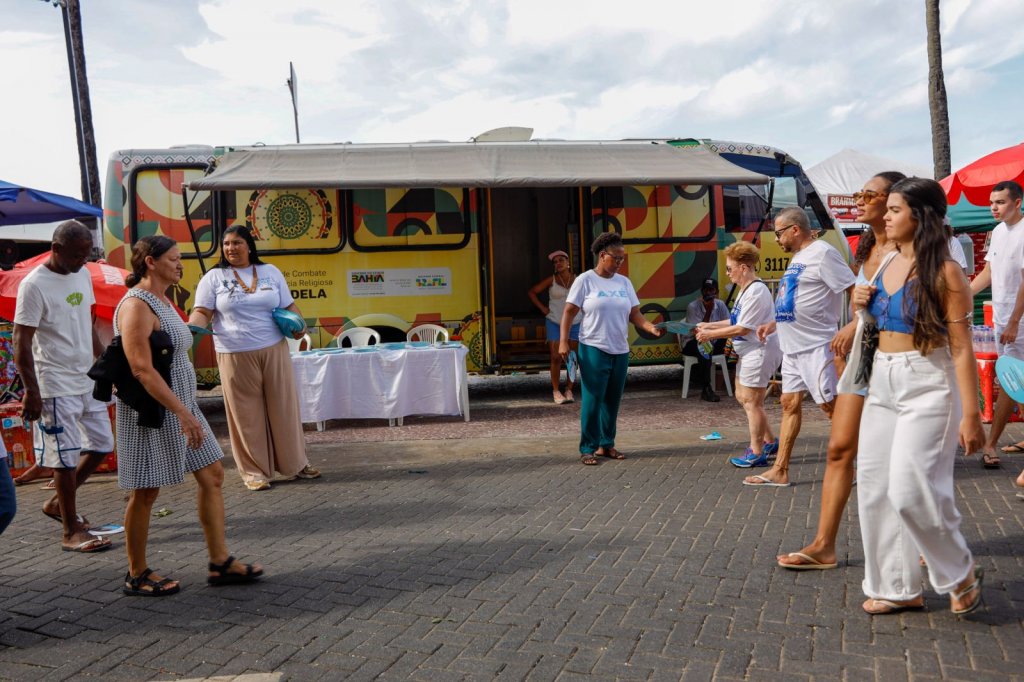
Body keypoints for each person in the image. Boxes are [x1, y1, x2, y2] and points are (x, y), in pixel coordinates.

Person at [853, 177, 984, 615]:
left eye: (894, 210)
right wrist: (859, 304)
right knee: (874, 487)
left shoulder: (946, 272)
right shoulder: (885, 260)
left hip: (929, 383)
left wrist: (972, 415)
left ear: (921, 216)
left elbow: (961, 348)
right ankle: (896, 588)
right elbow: (874, 322)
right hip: (882, 379)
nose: (885, 217)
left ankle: (959, 572)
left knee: (911, 491)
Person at [116, 236, 262, 596]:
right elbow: (141, 369)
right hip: (155, 410)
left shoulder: (164, 300)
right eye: (173, 259)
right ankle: (136, 573)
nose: (180, 265)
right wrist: (182, 411)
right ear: (151, 262)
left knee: (212, 475)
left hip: (183, 408)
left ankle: (220, 562)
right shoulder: (136, 305)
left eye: (179, 258)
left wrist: (186, 409)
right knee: (145, 491)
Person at [777, 171, 905, 569]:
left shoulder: (912, 250)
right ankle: (824, 545)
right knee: (838, 449)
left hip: (900, 362)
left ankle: (927, 545)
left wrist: (852, 325)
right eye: (858, 193)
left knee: (903, 461)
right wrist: (856, 324)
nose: (859, 199)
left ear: (895, 202)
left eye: (869, 194)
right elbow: (858, 297)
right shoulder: (868, 249)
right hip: (864, 359)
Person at [189, 225, 320, 491]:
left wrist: (300, 324)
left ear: (249, 246)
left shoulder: (270, 272)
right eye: (226, 244)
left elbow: (288, 305)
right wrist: (190, 328)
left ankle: (296, 464)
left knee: (284, 408)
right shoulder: (214, 277)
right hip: (234, 353)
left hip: (274, 348)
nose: (231, 248)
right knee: (246, 414)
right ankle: (254, 472)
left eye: (237, 242)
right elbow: (202, 311)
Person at [13, 220, 112, 553]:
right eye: (76, 256)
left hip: (86, 379)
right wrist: (31, 390)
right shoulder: (34, 285)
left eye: (87, 255)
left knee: (102, 443)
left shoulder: (81, 274)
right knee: (64, 458)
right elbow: (21, 341)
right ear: (56, 249)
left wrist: (103, 364)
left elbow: (86, 321)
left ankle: (57, 504)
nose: (83, 262)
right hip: (54, 384)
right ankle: (70, 531)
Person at [743, 207, 856, 487]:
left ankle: (858, 466)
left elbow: (852, 288)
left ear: (795, 229)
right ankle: (780, 469)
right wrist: (775, 323)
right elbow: (796, 298)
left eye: (779, 232)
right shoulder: (799, 258)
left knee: (831, 407)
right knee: (788, 403)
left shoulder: (823, 253)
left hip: (817, 346)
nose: (776, 239)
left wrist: (854, 325)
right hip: (792, 347)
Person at [559, 232, 663, 465]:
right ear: (602, 255)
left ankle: (606, 445)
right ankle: (588, 447)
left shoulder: (624, 282)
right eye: (616, 258)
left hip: (620, 350)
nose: (619, 262)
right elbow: (568, 312)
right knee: (593, 400)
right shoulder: (585, 280)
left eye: (622, 259)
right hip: (593, 347)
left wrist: (650, 328)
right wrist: (564, 341)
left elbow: (634, 313)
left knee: (612, 400)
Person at [695, 242, 781, 465]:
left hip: (759, 350)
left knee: (753, 402)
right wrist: (709, 325)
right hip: (749, 350)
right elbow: (736, 321)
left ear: (743, 268)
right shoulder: (746, 290)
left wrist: (710, 335)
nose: (727, 273)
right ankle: (770, 441)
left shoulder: (756, 291)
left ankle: (756, 452)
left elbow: (742, 329)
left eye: (729, 268)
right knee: (743, 396)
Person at [967, 181, 1024, 467]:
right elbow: (989, 271)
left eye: (1000, 202)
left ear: (1017, 203)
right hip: (1001, 318)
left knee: (1012, 381)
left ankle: (990, 444)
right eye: (992, 202)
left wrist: (1014, 321)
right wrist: (962, 296)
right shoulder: (998, 231)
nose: (994, 207)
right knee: (1018, 379)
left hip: (1019, 322)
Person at [528, 250, 582, 404]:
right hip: (555, 322)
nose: (558, 263)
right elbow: (532, 292)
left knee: (572, 357)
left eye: (561, 260)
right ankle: (556, 391)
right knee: (556, 357)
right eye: (555, 262)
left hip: (575, 322)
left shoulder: (579, 280)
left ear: (568, 263)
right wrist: (543, 309)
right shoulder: (551, 280)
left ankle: (569, 389)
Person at [683, 279, 730, 402]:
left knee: (733, 341)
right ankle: (706, 388)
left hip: (715, 340)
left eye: (711, 290)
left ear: (717, 292)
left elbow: (729, 325)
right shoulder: (693, 306)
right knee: (704, 346)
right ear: (702, 291)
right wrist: (708, 310)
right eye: (706, 290)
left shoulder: (720, 305)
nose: (708, 293)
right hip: (693, 342)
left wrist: (716, 334)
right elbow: (698, 332)